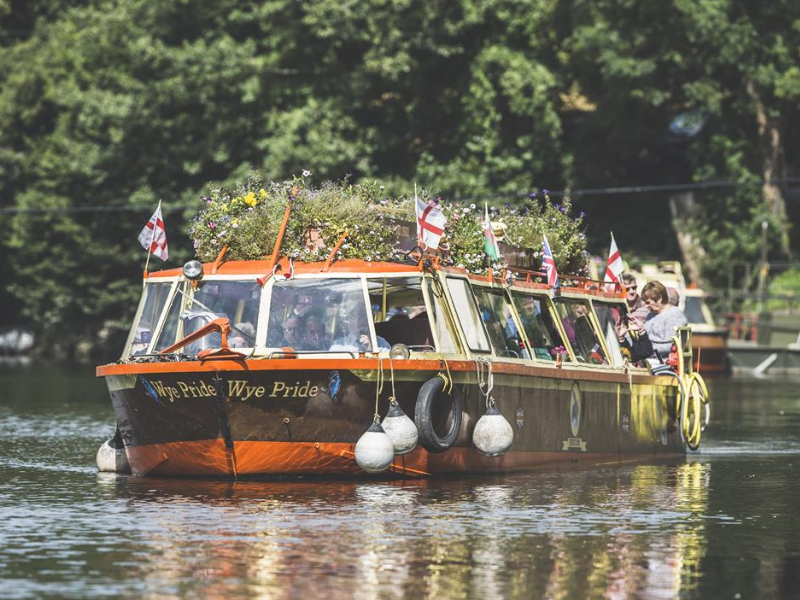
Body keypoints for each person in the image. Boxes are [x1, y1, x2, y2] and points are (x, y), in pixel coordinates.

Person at [642, 280, 688, 359]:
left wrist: (644, 349)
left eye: (648, 302)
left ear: (659, 299)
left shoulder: (674, 315)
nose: (646, 306)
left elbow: (669, 346)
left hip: (663, 363)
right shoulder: (651, 315)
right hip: (647, 358)